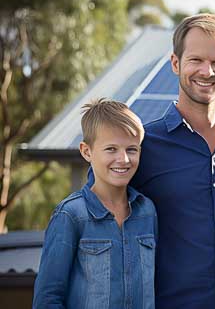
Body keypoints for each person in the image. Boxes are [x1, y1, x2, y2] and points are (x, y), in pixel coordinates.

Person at [130, 14, 215, 308]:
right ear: (175, 63)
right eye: (196, 60)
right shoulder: (142, 145)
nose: (207, 71)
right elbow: (95, 214)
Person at [33, 99, 157, 309]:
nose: (123, 159)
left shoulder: (147, 212)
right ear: (86, 151)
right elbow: (47, 300)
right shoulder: (71, 216)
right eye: (111, 149)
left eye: (132, 149)